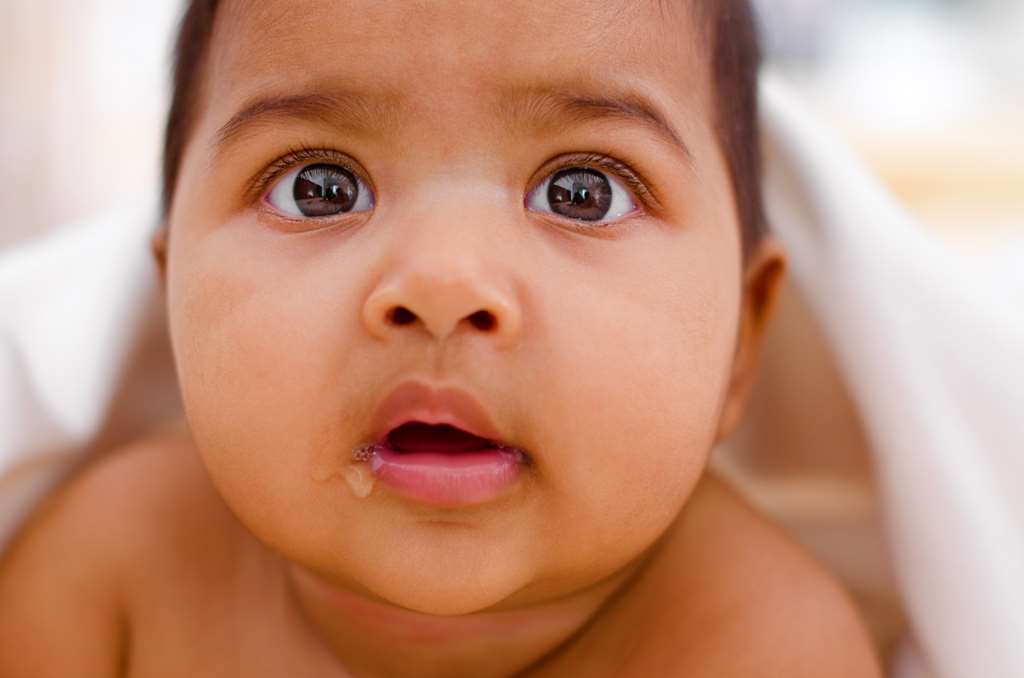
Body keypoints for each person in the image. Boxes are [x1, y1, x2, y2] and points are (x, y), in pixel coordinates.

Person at [0, 1, 882, 675]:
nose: (442, 285)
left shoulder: (762, 641)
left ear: (740, 343)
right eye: (319, 187)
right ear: (173, 304)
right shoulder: (112, 573)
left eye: (583, 191)